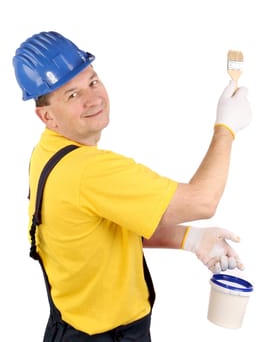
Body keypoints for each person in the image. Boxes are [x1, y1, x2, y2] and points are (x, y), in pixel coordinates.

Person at [13, 31, 251, 342]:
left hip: (76, 329)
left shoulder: (48, 151)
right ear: (47, 116)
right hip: (102, 337)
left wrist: (190, 239)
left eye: (92, 82)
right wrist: (226, 128)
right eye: (72, 95)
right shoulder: (90, 171)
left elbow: (102, 226)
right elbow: (201, 202)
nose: (93, 98)